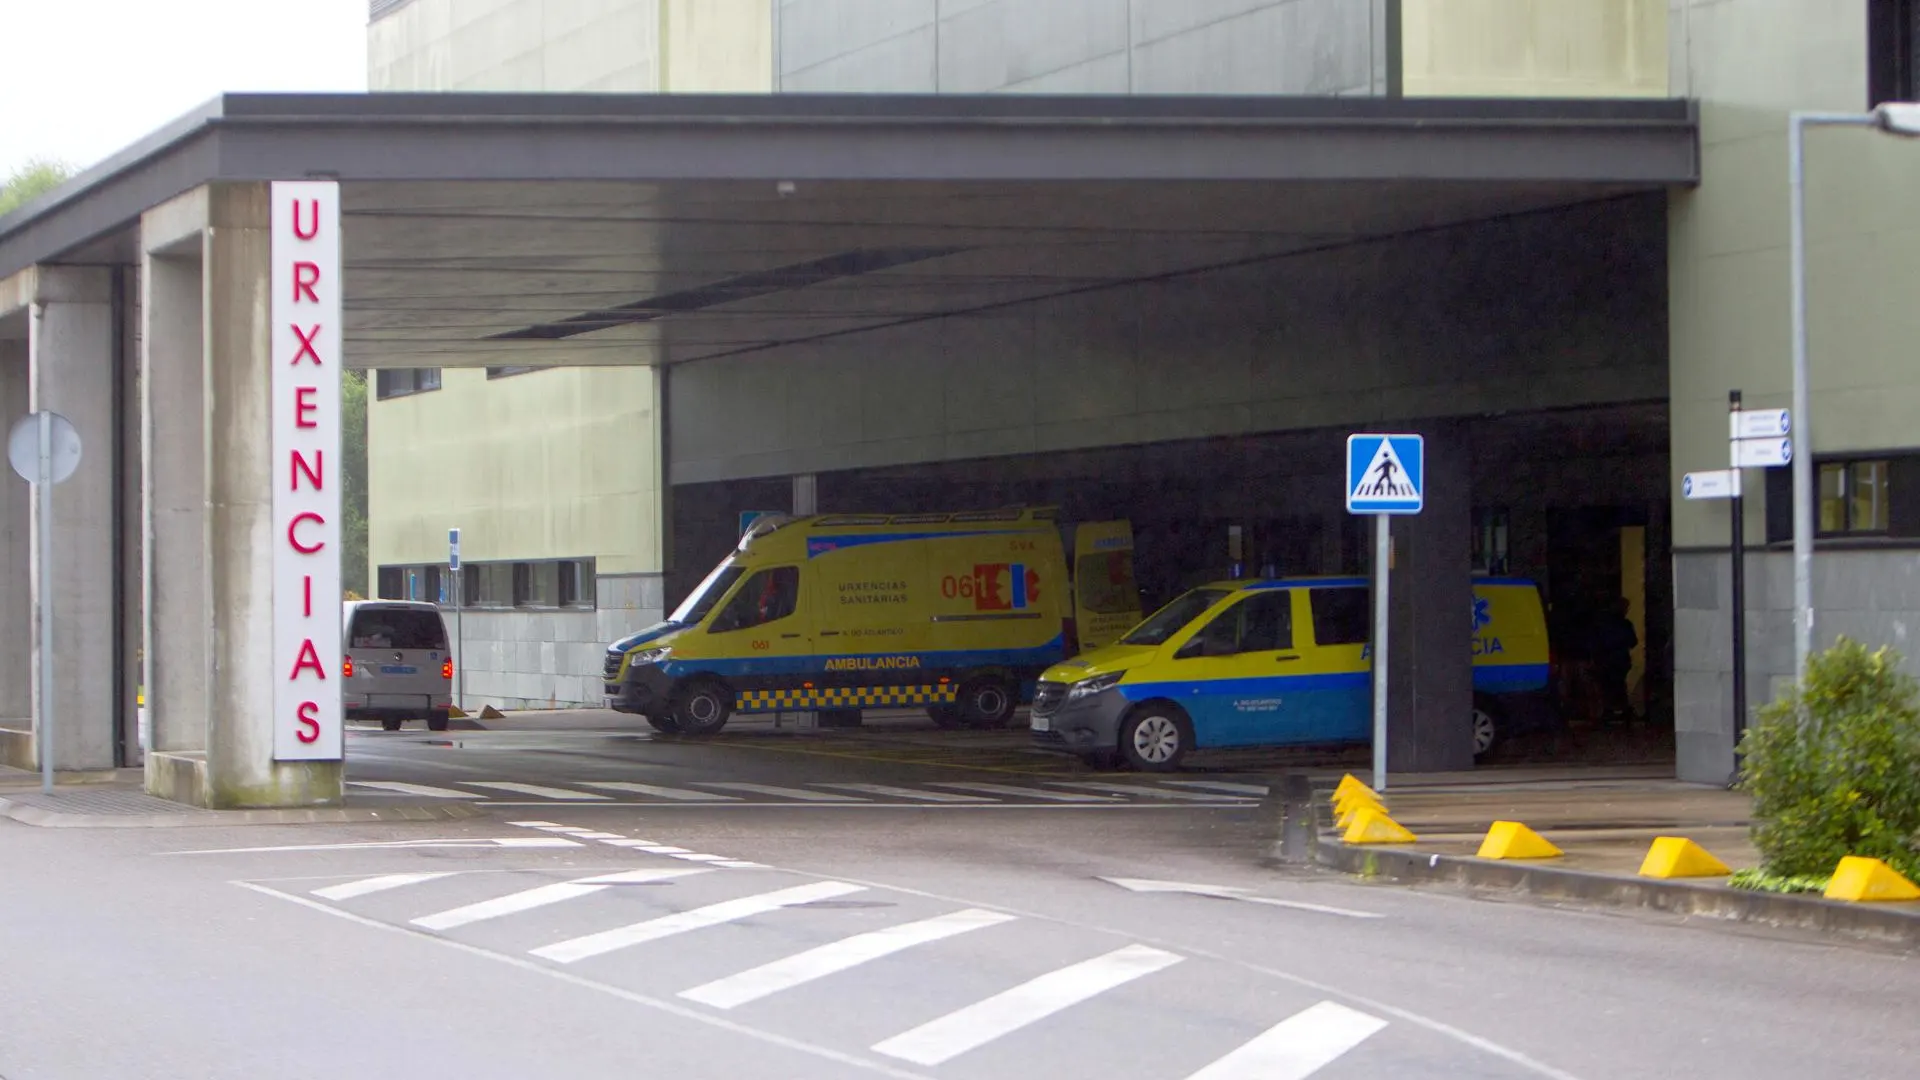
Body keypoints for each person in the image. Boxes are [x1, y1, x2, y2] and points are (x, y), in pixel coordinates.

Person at [1592, 596, 1639, 724]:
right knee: (1619, 685)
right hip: (1620, 660)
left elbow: (1599, 642)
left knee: (1607, 686)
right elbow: (1633, 641)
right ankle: (1623, 710)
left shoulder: (1604, 624)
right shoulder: (1625, 624)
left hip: (1607, 659)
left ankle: (1609, 710)